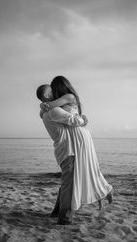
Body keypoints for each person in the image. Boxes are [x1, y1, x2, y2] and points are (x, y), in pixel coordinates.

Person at [43, 76, 113, 212]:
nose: (53, 93)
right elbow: (48, 110)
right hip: (75, 136)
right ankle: (104, 190)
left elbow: (49, 107)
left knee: (89, 168)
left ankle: (105, 189)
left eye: (54, 89)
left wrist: (43, 105)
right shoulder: (60, 103)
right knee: (85, 170)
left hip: (80, 135)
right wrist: (43, 106)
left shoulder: (69, 96)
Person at [36, 84, 87, 225]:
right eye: (51, 90)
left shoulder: (47, 112)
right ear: (47, 95)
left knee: (66, 182)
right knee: (68, 184)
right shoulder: (54, 111)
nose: (55, 91)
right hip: (68, 150)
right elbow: (74, 121)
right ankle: (64, 217)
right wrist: (83, 119)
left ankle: (57, 212)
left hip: (62, 149)